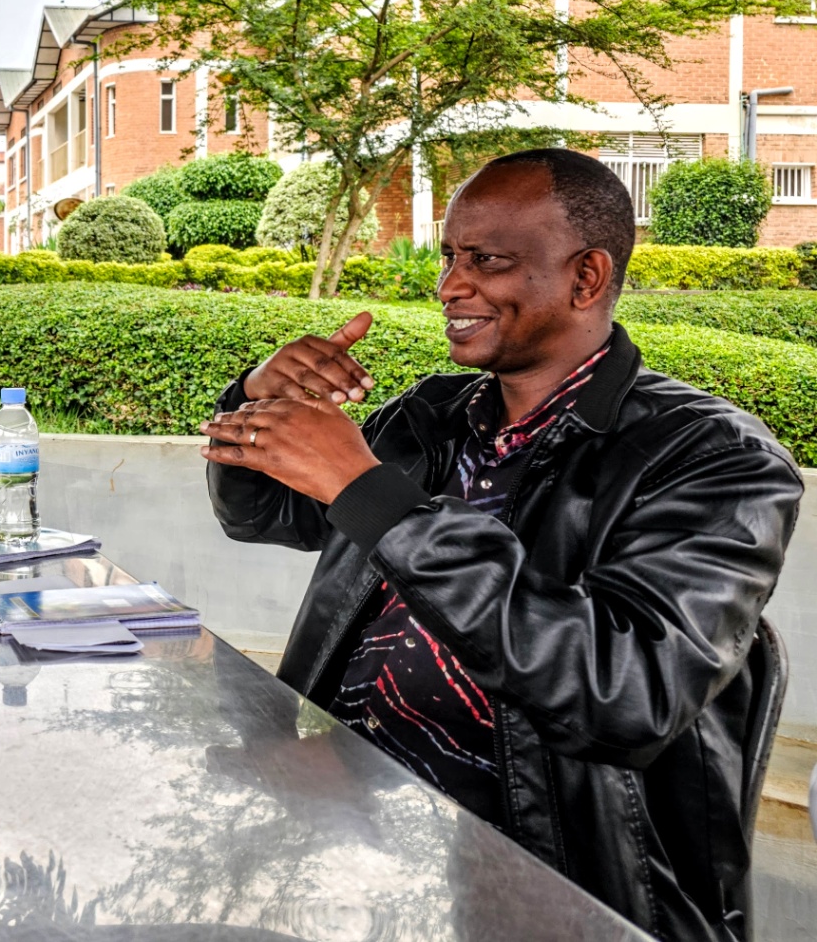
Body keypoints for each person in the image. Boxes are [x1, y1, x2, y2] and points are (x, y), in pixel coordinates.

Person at [202, 148, 801, 942]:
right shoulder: (435, 417)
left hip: (552, 882)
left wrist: (368, 491)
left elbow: (625, 693)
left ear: (586, 277)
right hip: (353, 828)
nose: (450, 284)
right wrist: (256, 402)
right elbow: (263, 516)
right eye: (452, 257)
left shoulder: (715, 460)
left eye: (486, 260)